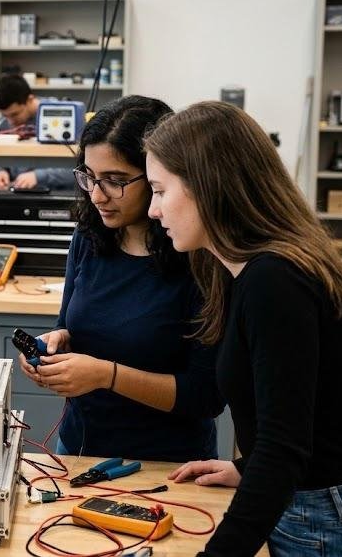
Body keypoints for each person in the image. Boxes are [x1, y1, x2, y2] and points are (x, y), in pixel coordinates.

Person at [146, 101, 342, 556]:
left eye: (160, 190)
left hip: (319, 514)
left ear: (206, 186)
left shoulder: (274, 281)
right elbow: (304, 408)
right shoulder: (244, 272)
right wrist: (247, 466)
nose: (154, 210)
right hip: (305, 499)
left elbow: (283, 448)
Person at [18, 95, 224, 462]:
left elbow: (205, 396)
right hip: (79, 451)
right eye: (89, 177)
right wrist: (56, 343)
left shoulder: (198, 255)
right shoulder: (90, 236)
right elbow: (68, 324)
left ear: (158, 175)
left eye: (115, 181)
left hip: (165, 465)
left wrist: (107, 376)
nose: (98, 196)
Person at [0, 75, 74, 191]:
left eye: (15, 114)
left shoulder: (63, 117)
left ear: (30, 100)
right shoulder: (4, 123)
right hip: (18, 192)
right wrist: (1, 171)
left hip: (55, 193)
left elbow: (78, 170)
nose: (10, 121)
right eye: (5, 115)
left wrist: (38, 176)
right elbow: (1, 156)